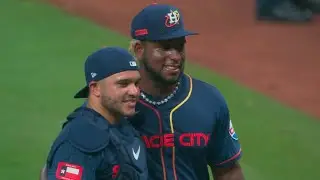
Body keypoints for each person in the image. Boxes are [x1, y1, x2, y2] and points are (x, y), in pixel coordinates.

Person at [127, 3, 245, 180]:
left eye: (179, 46)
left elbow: (228, 170)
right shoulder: (118, 103)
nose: (175, 56)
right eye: (165, 47)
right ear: (139, 50)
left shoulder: (209, 100)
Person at [41, 47, 148, 180]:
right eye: (123, 84)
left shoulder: (123, 126)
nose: (134, 91)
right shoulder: (82, 137)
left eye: (136, 83)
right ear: (95, 88)